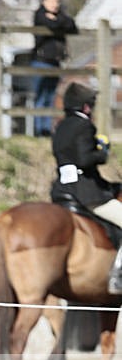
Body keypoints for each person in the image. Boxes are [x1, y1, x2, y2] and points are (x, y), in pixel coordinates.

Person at [51, 81, 122, 294]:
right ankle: (119, 274)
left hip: (62, 189)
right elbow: (84, 159)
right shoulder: (84, 126)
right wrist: (102, 151)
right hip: (86, 193)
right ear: (86, 107)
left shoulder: (60, 126)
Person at [31, 0, 77, 137]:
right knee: (41, 96)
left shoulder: (60, 16)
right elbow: (51, 24)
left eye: (56, 1)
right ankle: (39, 130)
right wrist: (57, 22)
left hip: (55, 62)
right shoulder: (39, 15)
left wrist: (57, 21)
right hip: (41, 61)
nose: (54, 4)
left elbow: (72, 26)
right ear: (43, 2)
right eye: (50, 1)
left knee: (51, 97)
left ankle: (47, 130)